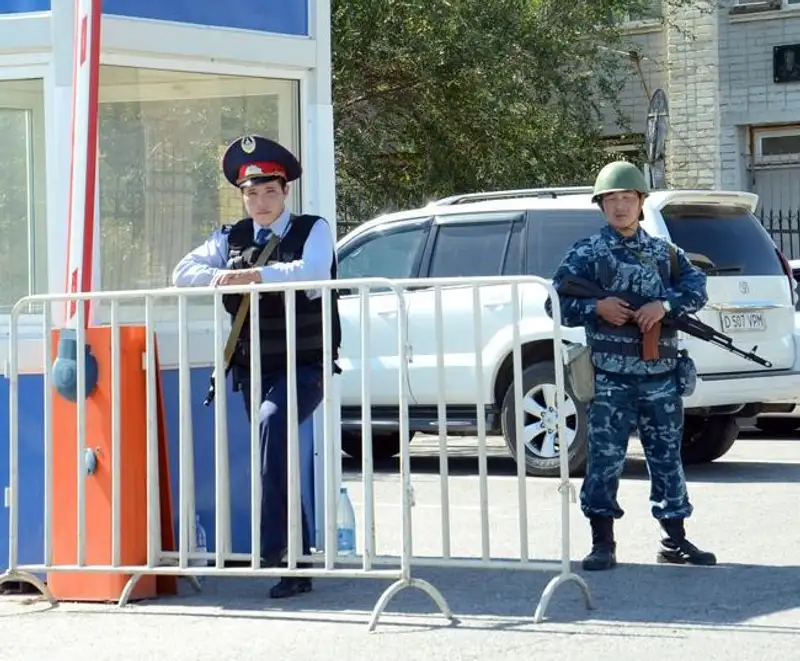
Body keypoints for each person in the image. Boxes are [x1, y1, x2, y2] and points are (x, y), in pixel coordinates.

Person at [172, 134, 342, 597]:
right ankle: (297, 566)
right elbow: (182, 273)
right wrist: (223, 274)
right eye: (251, 193)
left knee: (272, 427)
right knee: (277, 455)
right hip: (255, 368)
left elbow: (310, 271)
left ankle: (272, 548)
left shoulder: (313, 229)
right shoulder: (230, 237)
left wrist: (253, 275)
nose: (260, 202)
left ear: (285, 191)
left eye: (269, 191)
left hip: (305, 365)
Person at [548, 161, 716, 571]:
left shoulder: (666, 253)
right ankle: (602, 542)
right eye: (611, 200)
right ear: (601, 206)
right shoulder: (587, 254)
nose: (620, 207)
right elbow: (556, 304)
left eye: (627, 199)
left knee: (667, 458)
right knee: (605, 459)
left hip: (660, 376)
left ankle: (675, 540)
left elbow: (697, 290)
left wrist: (665, 305)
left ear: (641, 203)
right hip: (611, 378)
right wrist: (596, 306)